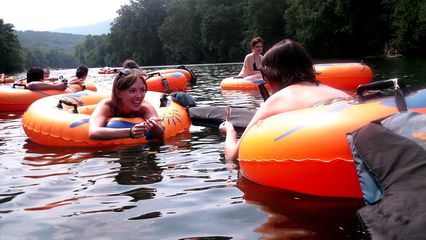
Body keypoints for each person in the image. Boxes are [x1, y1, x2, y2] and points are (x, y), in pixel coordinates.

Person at [220, 39, 351, 160]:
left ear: (272, 75)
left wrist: (230, 131)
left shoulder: (276, 101)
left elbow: (233, 154)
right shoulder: (339, 93)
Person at [88, 68, 164, 140]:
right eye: (132, 91)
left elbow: (161, 134)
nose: (139, 96)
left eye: (142, 90)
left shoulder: (144, 107)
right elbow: (93, 132)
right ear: (118, 93)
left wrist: (154, 127)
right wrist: (130, 132)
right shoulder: (108, 106)